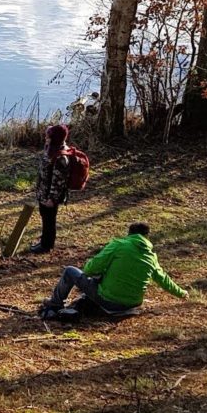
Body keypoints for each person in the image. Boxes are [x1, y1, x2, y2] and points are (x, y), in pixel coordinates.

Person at [40, 221, 189, 319]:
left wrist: (97, 270)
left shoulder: (119, 245)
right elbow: (163, 280)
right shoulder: (151, 256)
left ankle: (55, 305)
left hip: (110, 301)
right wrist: (182, 293)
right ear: (146, 237)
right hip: (132, 304)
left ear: (129, 234)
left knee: (70, 271)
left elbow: (90, 269)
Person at [28, 123, 72, 255]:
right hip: (44, 193)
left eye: (48, 135)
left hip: (50, 196)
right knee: (45, 218)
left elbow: (58, 181)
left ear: (55, 137)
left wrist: (52, 199)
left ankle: (46, 245)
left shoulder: (61, 157)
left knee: (49, 220)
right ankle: (44, 241)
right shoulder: (51, 149)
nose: (46, 137)